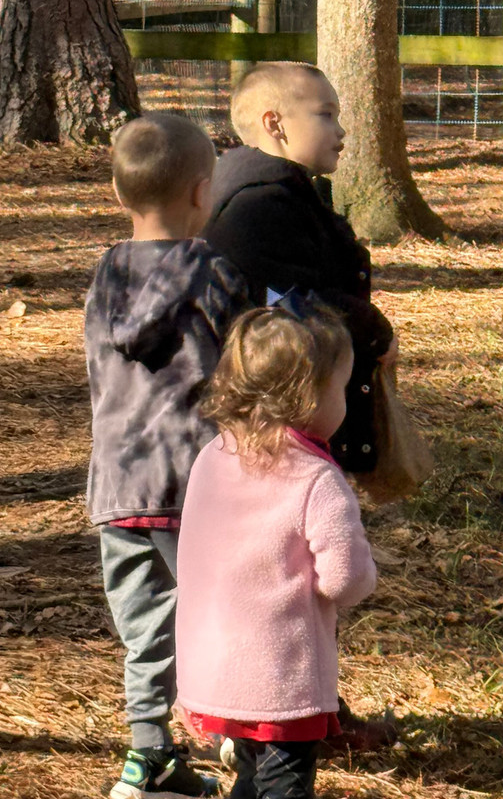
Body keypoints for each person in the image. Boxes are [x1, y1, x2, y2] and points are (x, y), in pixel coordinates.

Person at [85, 113, 248, 799]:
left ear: (119, 194)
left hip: (119, 484)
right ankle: (246, 736)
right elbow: (250, 367)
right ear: (203, 193)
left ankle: (148, 753)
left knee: (144, 624)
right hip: (195, 482)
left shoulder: (107, 273)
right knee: (226, 612)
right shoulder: (214, 273)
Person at [175, 303, 378, 799]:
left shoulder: (213, 456)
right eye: (341, 389)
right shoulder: (317, 479)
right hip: (281, 679)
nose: (347, 402)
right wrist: (365, 574)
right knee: (284, 786)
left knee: (251, 775)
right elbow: (346, 579)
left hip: (214, 668)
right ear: (306, 398)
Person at [203, 61, 397, 476]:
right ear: (274, 124)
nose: (340, 131)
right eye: (325, 115)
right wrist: (374, 332)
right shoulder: (259, 206)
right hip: (274, 427)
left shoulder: (286, 192)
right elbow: (291, 302)